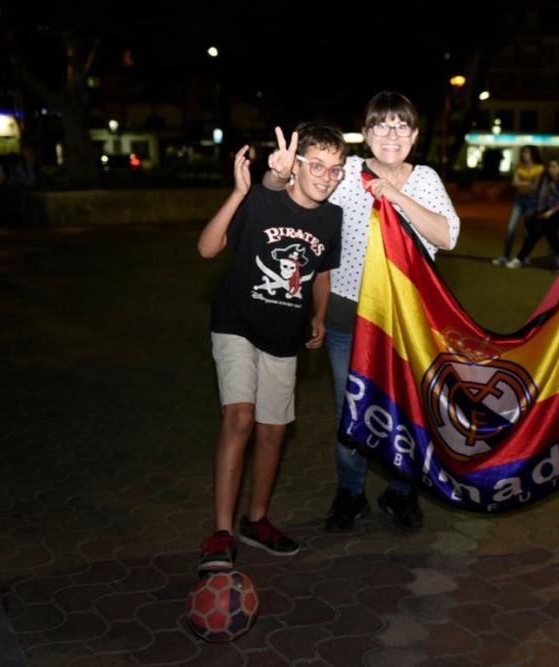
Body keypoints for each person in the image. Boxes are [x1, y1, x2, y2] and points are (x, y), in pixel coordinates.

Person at [264, 91, 461, 532]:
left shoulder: (425, 178)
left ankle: (401, 491)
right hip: (347, 316)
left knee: (407, 408)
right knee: (349, 411)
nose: (391, 134)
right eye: (381, 125)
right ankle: (350, 493)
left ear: (413, 135)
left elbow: (447, 236)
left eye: (401, 126)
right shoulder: (347, 171)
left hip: (406, 319)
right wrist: (278, 177)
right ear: (367, 133)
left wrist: (395, 195)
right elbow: (298, 203)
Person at [195, 122, 348, 573]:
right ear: (296, 165)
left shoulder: (331, 217)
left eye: (335, 169)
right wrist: (240, 192)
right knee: (239, 417)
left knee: (273, 430)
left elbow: (321, 272)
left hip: (285, 334)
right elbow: (207, 250)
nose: (325, 176)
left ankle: (255, 521)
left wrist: (319, 315)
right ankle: (221, 532)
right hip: (236, 324)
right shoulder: (262, 199)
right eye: (316, 165)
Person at [506, 158, 559, 269]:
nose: (551, 169)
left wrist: (550, 212)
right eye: (550, 167)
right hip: (548, 209)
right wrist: (540, 211)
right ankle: (520, 258)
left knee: (549, 229)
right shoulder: (547, 180)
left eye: (554, 167)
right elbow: (542, 197)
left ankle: (558, 257)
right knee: (534, 228)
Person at [492, 145, 543, 266]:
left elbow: (535, 187)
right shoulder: (519, 166)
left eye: (527, 152)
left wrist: (522, 183)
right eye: (523, 152)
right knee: (511, 228)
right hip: (519, 199)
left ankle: (523, 257)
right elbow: (514, 182)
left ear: (533, 154)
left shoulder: (539, 168)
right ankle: (505, 256)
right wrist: (527, 183)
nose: (524, 154)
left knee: (527, 230)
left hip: (531, 200)